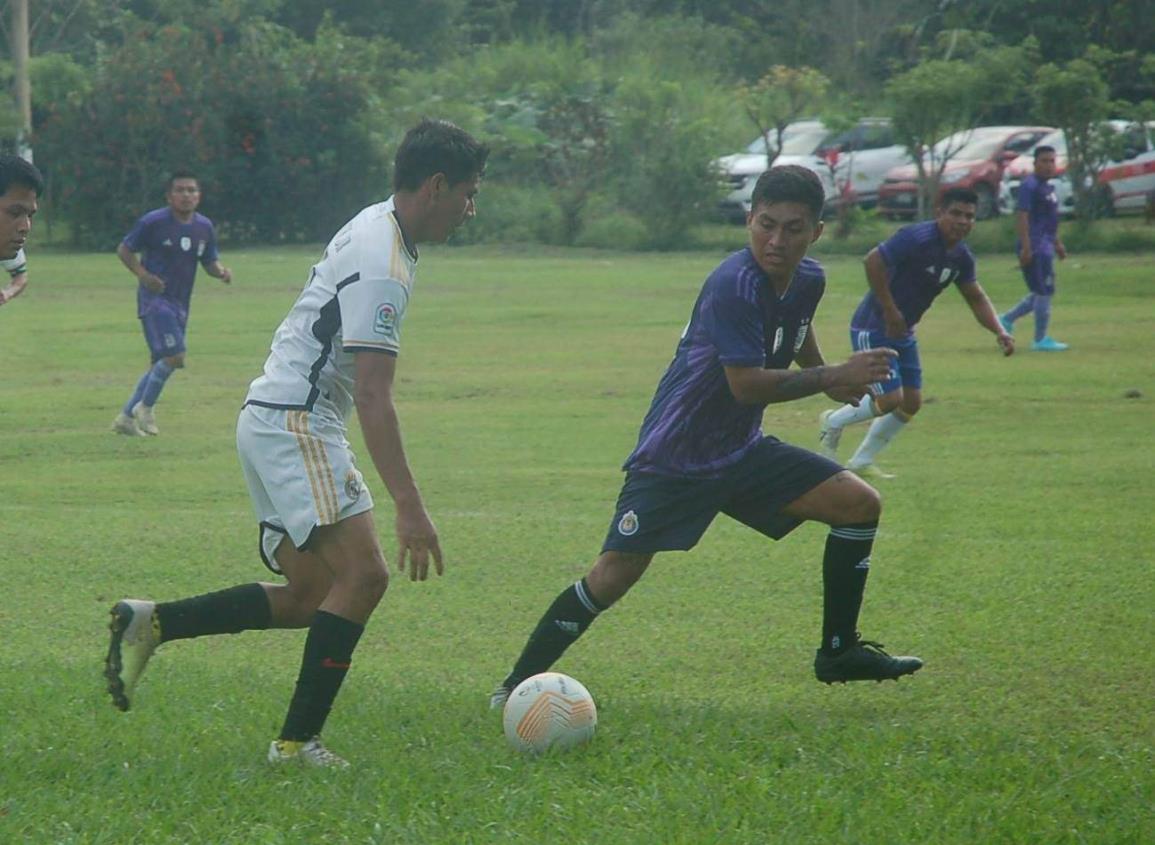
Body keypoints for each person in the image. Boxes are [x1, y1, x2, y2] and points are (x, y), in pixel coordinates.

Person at [104, 119, 490, 767]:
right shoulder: (382, 262)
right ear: (435, 185)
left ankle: (152, 620)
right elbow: (373, 395)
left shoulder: (376, 222)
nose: (471, 208)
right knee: (364, 575)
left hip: (272, 416)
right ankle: (295, 743)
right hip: (296, 422)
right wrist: (410, 505)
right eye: (469, 193)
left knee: (314, 595)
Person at [490, 166, 922, 712]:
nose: (776, 241)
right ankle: (515, 686)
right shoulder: (733, 284)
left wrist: (825, 371)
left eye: (793, 229)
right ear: (748, 219)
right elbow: (744, 386)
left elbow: (796, 325)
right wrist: (832, 376)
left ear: (816, 231)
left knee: (858, 504)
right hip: (675, 456)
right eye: (766, 225)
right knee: (613, 575)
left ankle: (838, 652)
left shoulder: (808, 277)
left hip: (740, 450)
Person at [818, 187, 1014, 479]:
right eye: (956, 214)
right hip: (873, 326)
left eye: (969, 216)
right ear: (940, 213)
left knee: (911, 402)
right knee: (889, 400)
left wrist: (999, 330)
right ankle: (833, 421)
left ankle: (861, 460)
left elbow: (975, 296)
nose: (962, 221)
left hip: (903, 331)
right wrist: (890, 309)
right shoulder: (916, 238)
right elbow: (873, 261)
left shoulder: (961, 257)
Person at [110, 170, 233, 437]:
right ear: (169, 196)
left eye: (192, 190)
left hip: (181, 303)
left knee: (161, 362)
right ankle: (146, 408)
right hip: (155, 301)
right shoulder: (153, 222)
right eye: (180, 190)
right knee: (175, 356)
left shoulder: (204, 227)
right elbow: (124, 249)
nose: (186, 195)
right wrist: (143, 275)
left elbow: (209, 261)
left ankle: (125, 417)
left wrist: (221, 272)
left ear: (199, 196)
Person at [998, 146, 1068, 351]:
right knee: (1043, 291)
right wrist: (1027, 247)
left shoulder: (1048, 187)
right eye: (1044, 161)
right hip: (1035, 246)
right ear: (1035, 163)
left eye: (1052, 161)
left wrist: (1057, 243)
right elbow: (1022, 216)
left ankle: (1007, 319)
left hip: (1045, 244)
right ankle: (1040, 339)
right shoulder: (1029, 186)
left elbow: (1049, 220)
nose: (1049, 165)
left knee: (1041, 290)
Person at [0, 155, 44, 310]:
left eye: (30, 215)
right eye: (14, 212)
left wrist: (7, 293)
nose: (25, 226)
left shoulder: (8, 245)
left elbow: (20, 276)